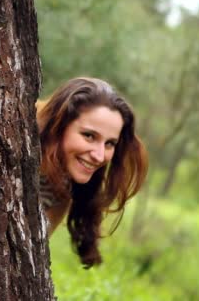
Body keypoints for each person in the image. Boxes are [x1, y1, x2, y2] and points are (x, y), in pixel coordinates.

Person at [36, 77, 148, 268]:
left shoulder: (63, 188)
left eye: (110, 143)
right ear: (60, 125)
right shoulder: (16, 132)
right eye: (89, 136)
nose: (99, 155)